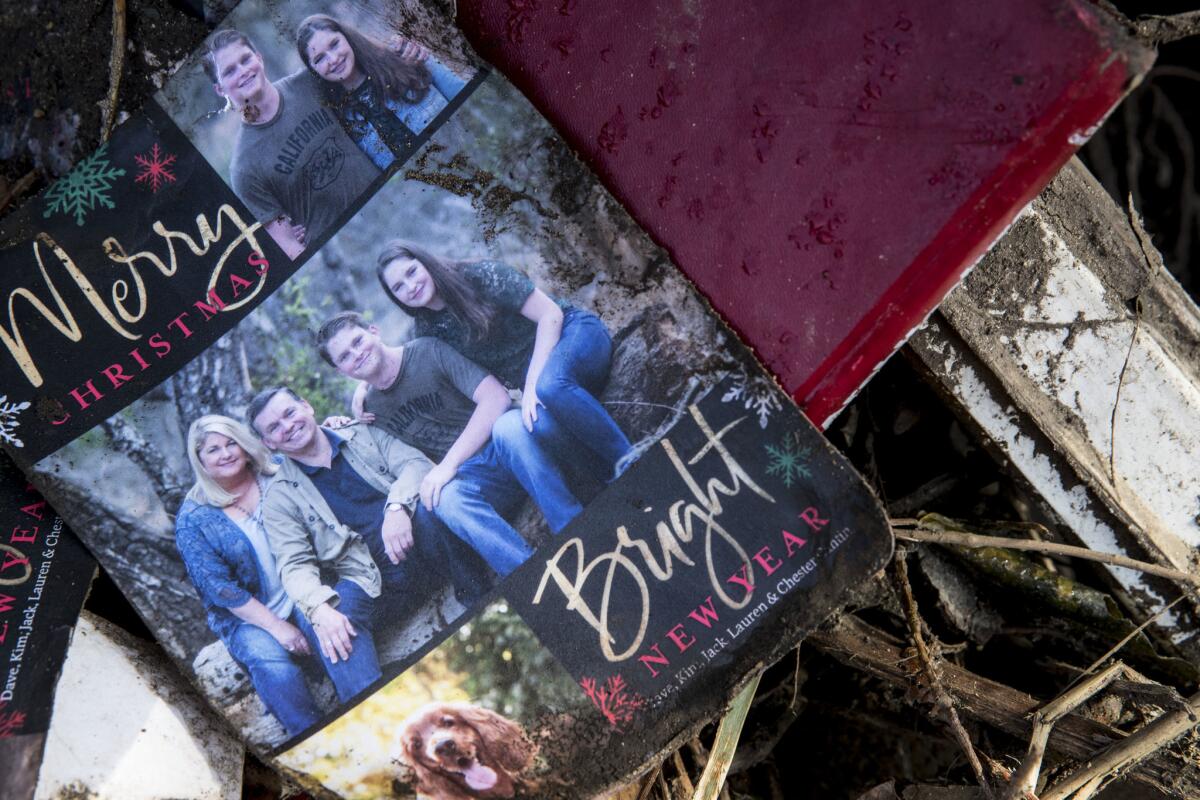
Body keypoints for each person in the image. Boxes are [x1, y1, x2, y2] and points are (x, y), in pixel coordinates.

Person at [247, 386, 486, 681]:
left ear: (306, 406)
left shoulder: (362, 434)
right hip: (373, 583)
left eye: (289, 413)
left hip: (425, 548)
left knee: (431, 509)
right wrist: (318, 607)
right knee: (336, 616)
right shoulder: (280, 498)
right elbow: (294, 564)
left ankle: (481, 602)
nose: (288, 426)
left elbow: (415, 464)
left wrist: (397, 506)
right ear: (267, 442)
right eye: (274, 427)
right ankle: (365, 695)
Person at [317, 312, 581, 577]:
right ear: (341, 371)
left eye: (358, 341)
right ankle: (530, 574)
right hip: (479, 480)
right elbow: (370, 451)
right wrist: (339, 424)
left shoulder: (427, 351)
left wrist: (448, 464)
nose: (356, 354)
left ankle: (574, 529)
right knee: (444, 499)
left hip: (513, 449)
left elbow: (495, 398)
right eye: (345, 357)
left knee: (509, 427)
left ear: (374, 331)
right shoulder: (370, 409)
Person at [175, 415, 374, 737]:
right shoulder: (194, 518)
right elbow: (221, 589)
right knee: (274, 666)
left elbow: (321, 452)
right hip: (247, 616)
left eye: (231, 443)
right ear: (199, 459)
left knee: (336, 636)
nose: (225, 454)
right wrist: (277, 627)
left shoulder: (278, 471)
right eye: (213, 449)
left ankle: (371, 714)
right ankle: (311, 740)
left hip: (306, 587)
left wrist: (338, 423)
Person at [372, 241, 634, 481]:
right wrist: (365, 385)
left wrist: (532, 384)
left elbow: (550, 315)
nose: (410, 286)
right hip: (543, 385)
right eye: (398, 287)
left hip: (572, 335)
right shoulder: (427, 331)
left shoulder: (480, 276)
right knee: (538, 426)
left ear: (425, 261)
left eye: (411, 272)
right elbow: (405, 362)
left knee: (551, 387)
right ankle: (608, 483)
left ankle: (630, 462)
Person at [202, 28, 382, 258]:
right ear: (220, 89)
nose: (243, 72)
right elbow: (289, 245)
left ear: (259, 58)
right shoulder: (243, 168)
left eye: (245, 60)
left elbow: (368, 71)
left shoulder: (310, 82)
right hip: (352, 253)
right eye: (229, 71)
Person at [296, 14, 468, 170]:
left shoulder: (403, 54)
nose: (333, 60)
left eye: (334, 44)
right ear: (313, 71)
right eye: (320, 59)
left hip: (470, 151)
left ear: (347, 38)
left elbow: (465, 97)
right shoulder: (339, 120)